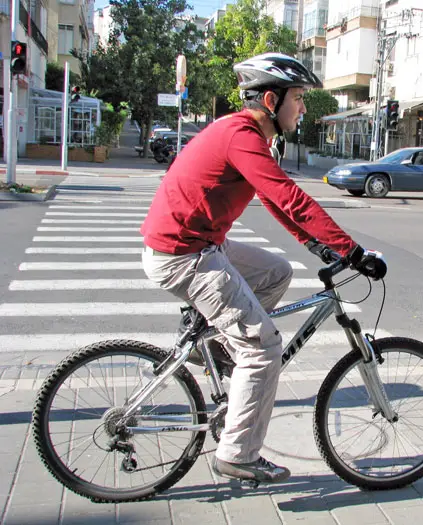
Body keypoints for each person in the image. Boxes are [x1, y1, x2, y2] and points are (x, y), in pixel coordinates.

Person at [140, 53, 386, 484]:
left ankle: (211, 345)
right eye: (299, 98)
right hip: (184, 254)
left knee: (276, 272)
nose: (303, 108)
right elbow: (289, 196)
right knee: (263, 348)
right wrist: (350, 250)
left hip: (198, 242)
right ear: (271, 99)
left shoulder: (243, 133)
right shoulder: (243, 135)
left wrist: (315, 245)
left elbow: (275, 201)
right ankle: (238, 454)